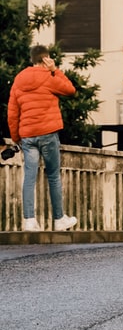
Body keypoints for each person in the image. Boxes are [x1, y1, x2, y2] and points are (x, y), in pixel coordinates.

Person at [7, 46, 78, 232]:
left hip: (27, 136)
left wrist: (16, 137)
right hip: (47, 133)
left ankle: (29, 221)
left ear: (32, 59)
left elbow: (13, 112)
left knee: (29, 177)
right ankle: (59, 220)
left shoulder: (19, 79)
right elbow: (71, 90)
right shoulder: (49, 77)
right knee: (53, 176)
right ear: (46, 59)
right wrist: (55, 70)